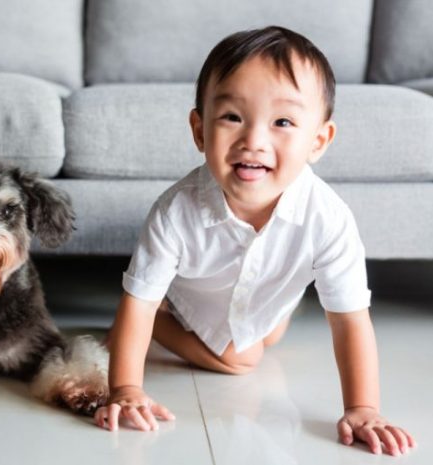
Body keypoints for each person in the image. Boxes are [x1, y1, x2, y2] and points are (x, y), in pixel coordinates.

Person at [94, 26, 416, 457]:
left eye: (283, 122)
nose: (254, 141)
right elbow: (139, 303)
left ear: (318, 141)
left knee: (272, 332)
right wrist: (126, 387)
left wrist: (363, 408)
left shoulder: (329, 217)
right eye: (232, 117)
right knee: (243, 359)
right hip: (198, 297)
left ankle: (263, 321)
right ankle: (157, 332)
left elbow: (350, 319)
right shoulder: (175, 211)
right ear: (200, 130)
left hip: (268, 297)